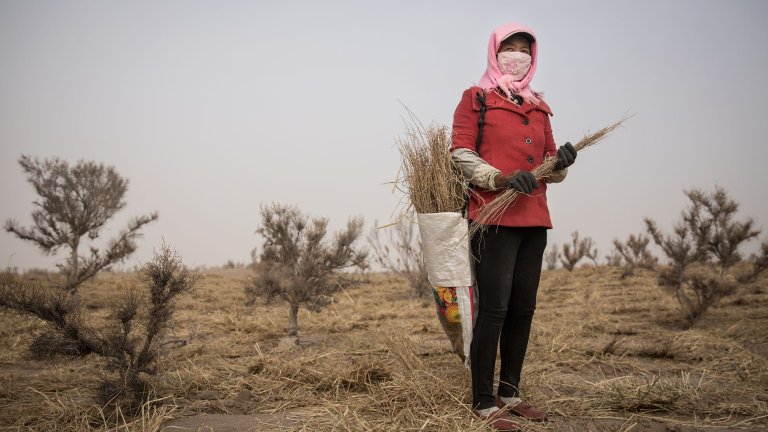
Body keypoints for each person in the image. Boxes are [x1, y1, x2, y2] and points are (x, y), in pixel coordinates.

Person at [450, 22, 577, 431]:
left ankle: (510, 392)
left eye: (525, 49)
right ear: (495, 51)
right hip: (491, 216)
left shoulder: (538, 106)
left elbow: (550, 165)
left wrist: (562, 164)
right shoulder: (477, 98)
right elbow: (460, 153)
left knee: (524, 308)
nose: (517, 55)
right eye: (510, 48)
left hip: (534, 219)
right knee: (495, 309)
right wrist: (500, 179)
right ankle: (484, 401)